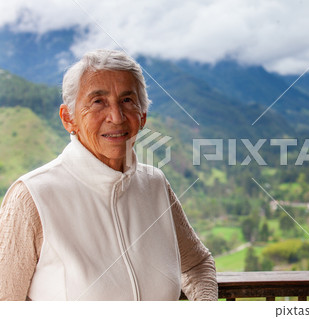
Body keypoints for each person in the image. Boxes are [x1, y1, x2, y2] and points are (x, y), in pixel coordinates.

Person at [0, 49, 218, 301]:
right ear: (68, 118)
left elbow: (197, 264)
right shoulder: (32, 197)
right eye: (97, 101)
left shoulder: (155, 184)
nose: (116, 117)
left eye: (127, 100)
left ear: (143, 115)